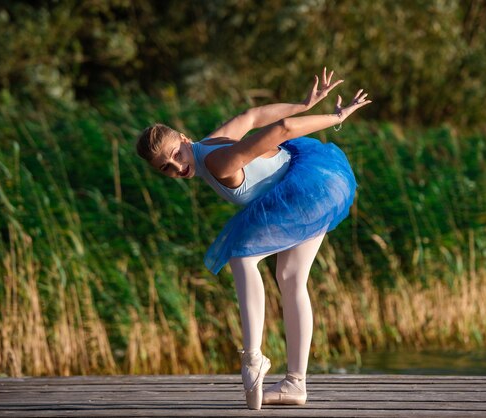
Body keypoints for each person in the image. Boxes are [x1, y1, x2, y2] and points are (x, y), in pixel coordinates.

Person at [136, 67, 371, 410]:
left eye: (176, 154)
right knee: (290, 278)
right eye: (166, 168)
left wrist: (336, 116)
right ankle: (295, 384)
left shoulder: (218, 161)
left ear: (184, 139)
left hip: (309, 187)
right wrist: (301, 102)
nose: (176, 167)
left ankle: (253, 357)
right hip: (307, 188)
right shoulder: (209, 143)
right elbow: (253, 114)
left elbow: (283, 129)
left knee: (242, 256)